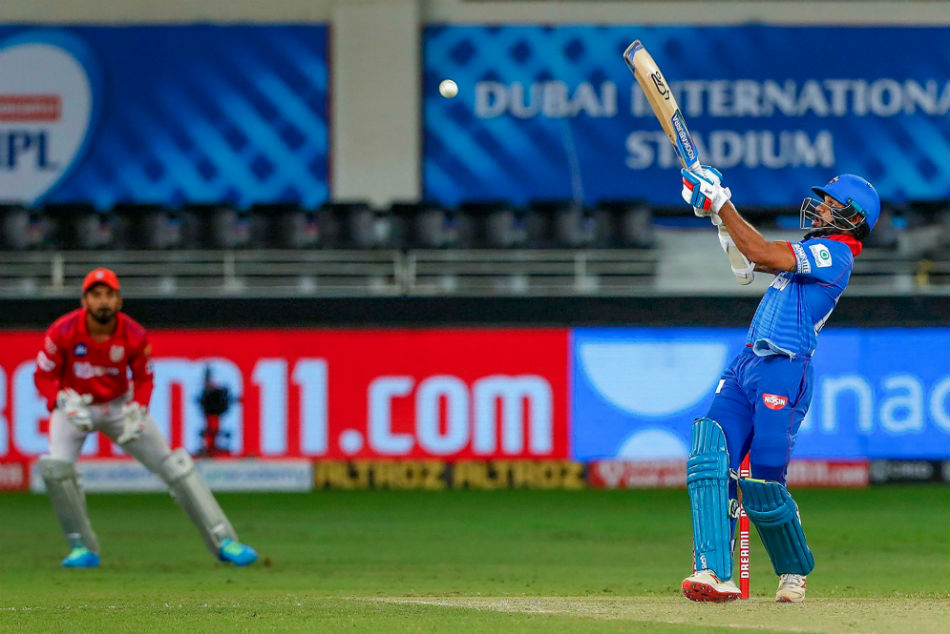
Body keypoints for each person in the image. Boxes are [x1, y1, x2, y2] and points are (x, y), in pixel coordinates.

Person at [677, 170, 880, 603]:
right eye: (823, 201)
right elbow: (748, 262)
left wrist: (723, 204)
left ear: (854, 219)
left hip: (786, 368)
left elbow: (760, 252)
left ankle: (792, 569)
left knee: (766, 476)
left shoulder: (836, 254)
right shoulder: (811, 251)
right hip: (746, 364)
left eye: (832, 205)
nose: (820, 208)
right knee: (710, 455)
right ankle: (712, 571)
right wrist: (717, 217)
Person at [33, 267, 258, 568]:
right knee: (56, 469)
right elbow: (43, 376)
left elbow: (143, 378)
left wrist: (138, 409)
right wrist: (61, 400)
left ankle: (224, 540)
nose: (103, 301)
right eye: (96, 295)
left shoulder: (134, 334)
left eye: (109, 295)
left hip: (119, 406)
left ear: (119, 301)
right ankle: (82, 549)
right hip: (75, 405)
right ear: (84, 301)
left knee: (174, 466)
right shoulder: (62, 331)